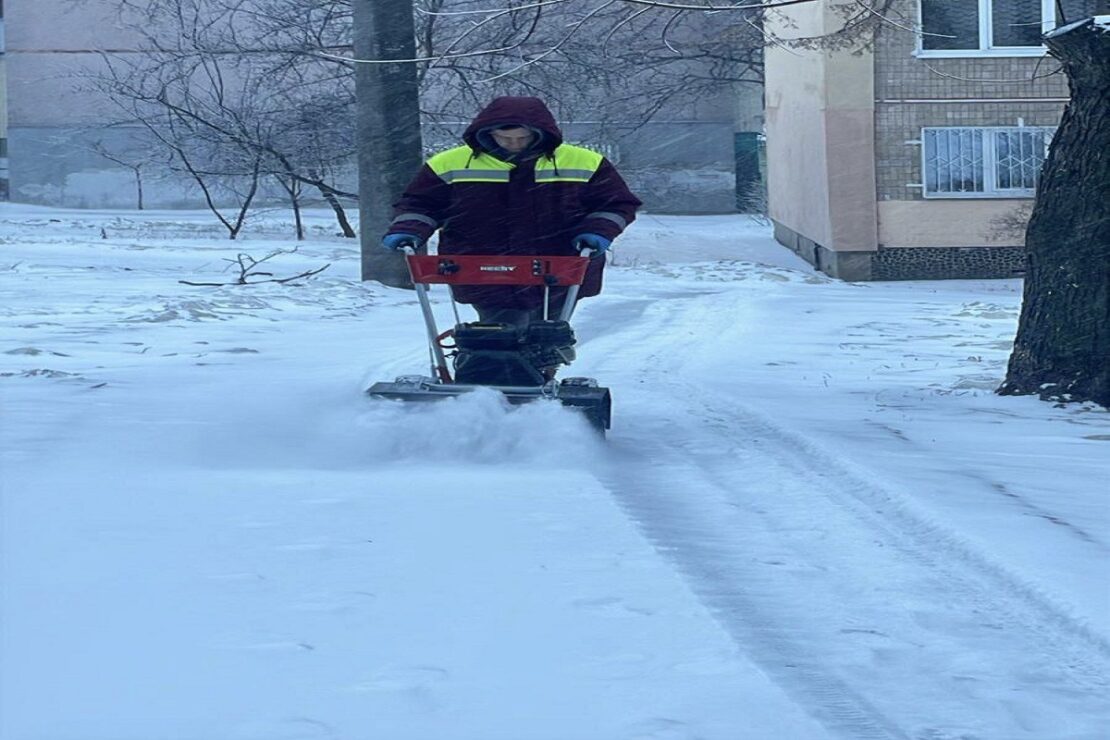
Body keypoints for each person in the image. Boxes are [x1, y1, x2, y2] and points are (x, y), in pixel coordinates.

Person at [381, 96, 642, 328]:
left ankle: (537, 371)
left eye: (522, 138)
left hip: (561, 264)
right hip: (481, 266)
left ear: (540, 133)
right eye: (505, 138)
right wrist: (408, 229)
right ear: (487, 132)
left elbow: (615, 203)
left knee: (548, 332)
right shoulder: (450, 164)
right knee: (502, 329)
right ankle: (497, 374)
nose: (514, 144)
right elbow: (420, 203)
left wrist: (597, 231)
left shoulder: (585, 162)